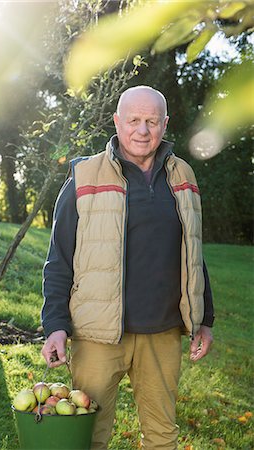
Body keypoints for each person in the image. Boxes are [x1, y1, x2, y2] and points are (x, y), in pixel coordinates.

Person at [41, 85, 214, 450]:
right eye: (133, 120)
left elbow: (194, 254)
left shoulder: (183, 176)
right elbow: (59, 259)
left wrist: (205, 320)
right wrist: (55, 325)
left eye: (151, 121)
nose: (142, 130)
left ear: (165, 124)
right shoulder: (84, 176)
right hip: (97, 335)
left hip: (163, 333)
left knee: (162, 436)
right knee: (86, 437)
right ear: (117, 121)